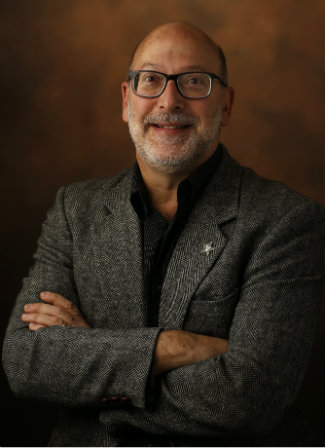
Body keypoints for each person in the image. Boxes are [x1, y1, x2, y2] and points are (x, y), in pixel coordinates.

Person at [2, 22, 324, 447]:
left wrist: (88, 361)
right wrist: (176, 346)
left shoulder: (285, 221)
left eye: (194, 81)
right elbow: (25, 361)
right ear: (125, 100)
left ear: (225, 106)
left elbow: (250, 398)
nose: (169, 101)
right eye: (150, 80)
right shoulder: (74, 209)